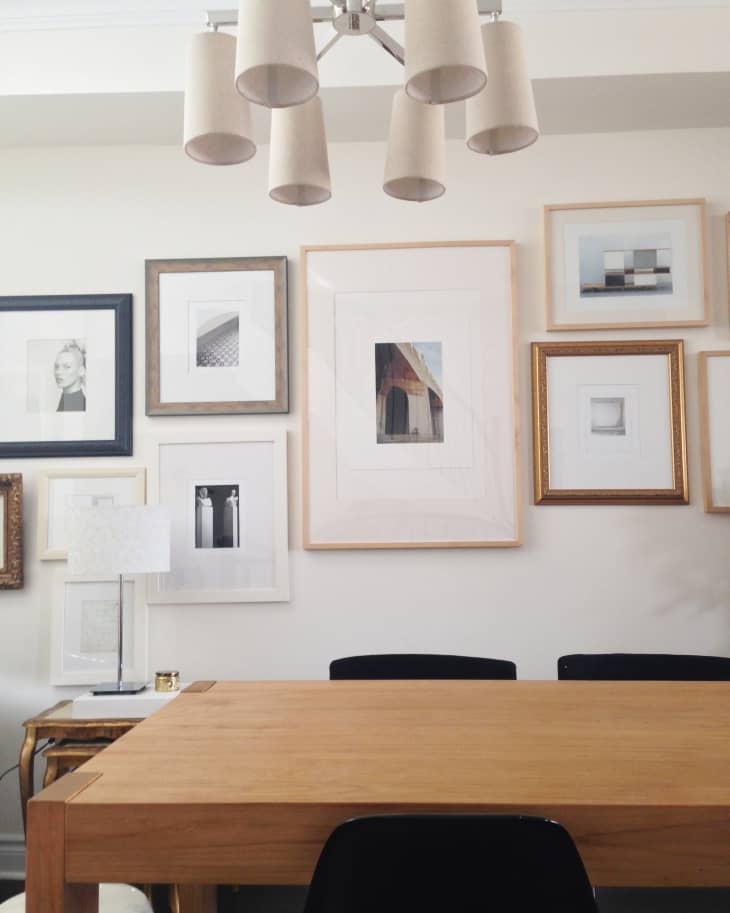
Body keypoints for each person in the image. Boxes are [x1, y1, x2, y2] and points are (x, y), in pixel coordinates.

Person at [54, 340, 86, 412]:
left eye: (67, 367)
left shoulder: (79, 406)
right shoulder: (65, 400)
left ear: (81, 371)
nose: (58, 372)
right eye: (56, 366)